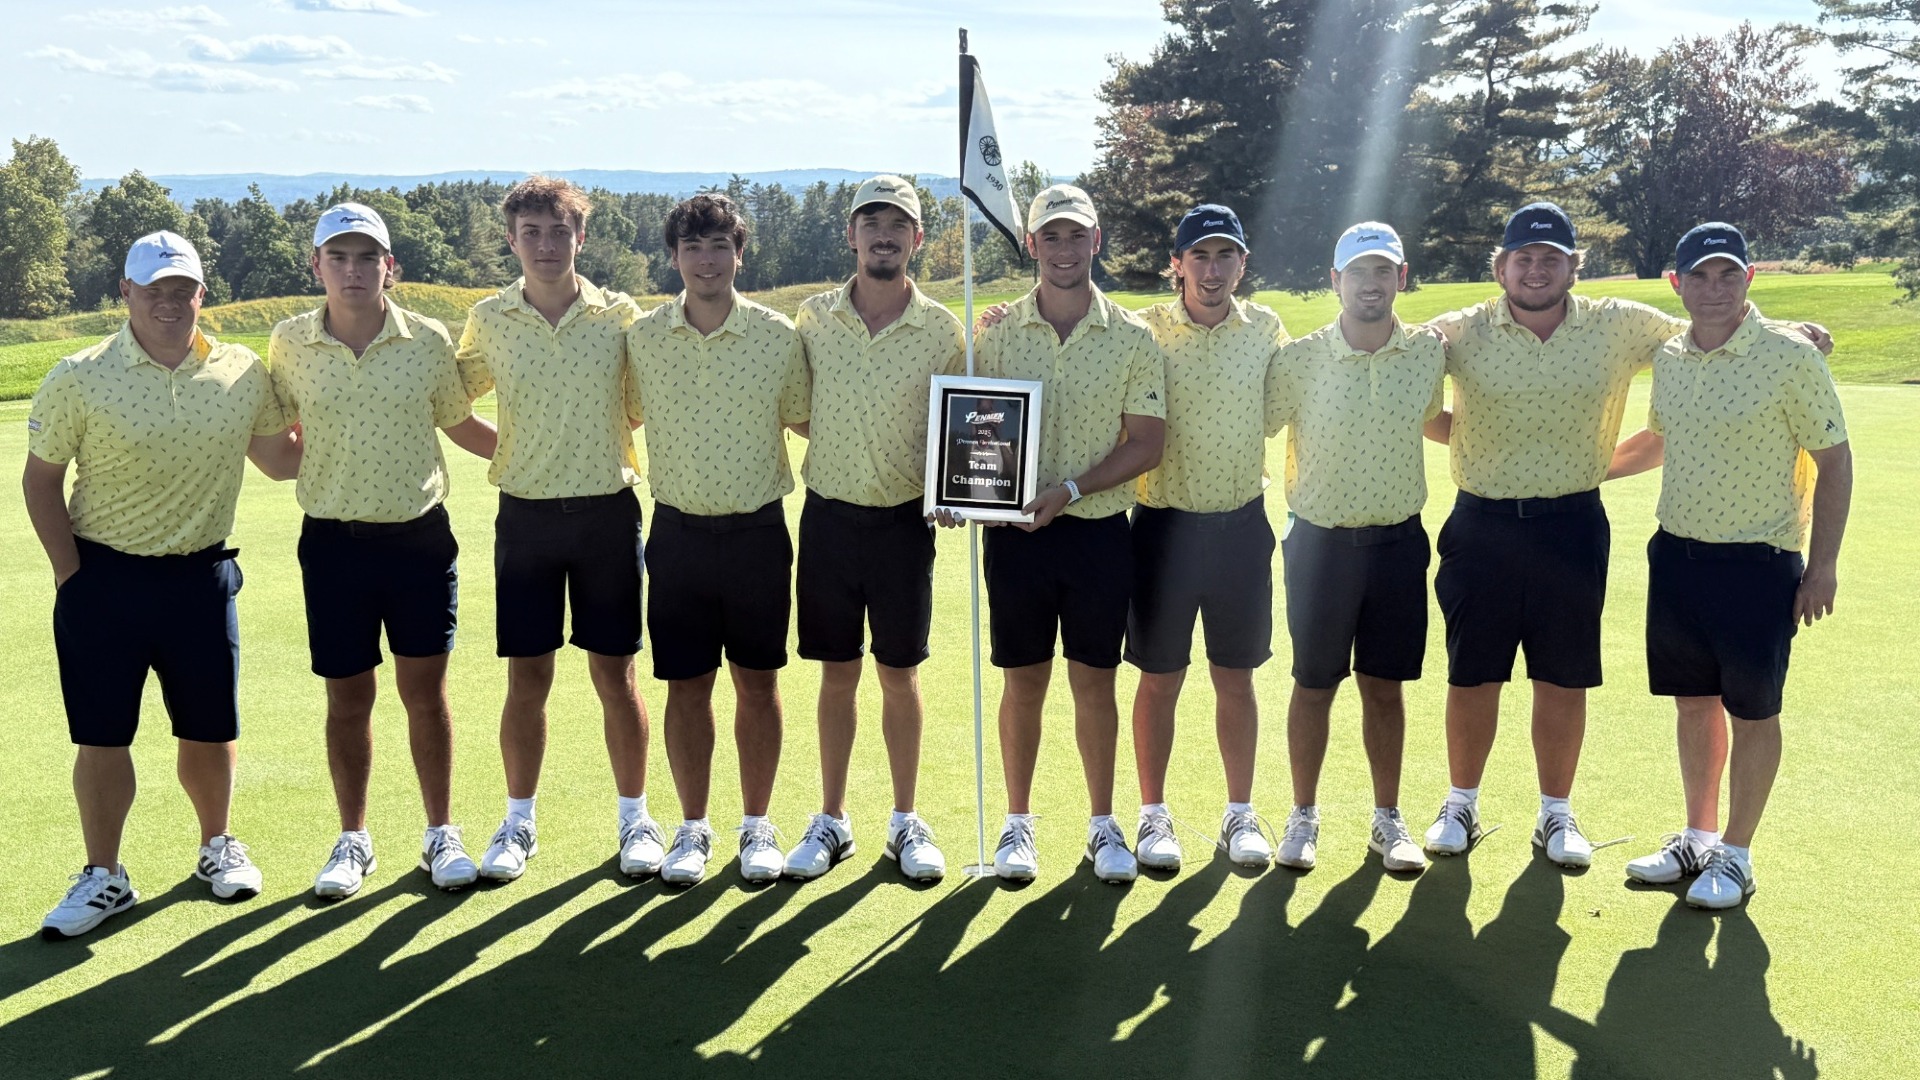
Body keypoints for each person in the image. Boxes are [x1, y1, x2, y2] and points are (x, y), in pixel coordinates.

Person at [1419, 203, 1832, 869]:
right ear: (1501, 265)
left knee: (1563, 676)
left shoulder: (1621, 324)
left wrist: (1790, 331)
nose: (1535, 269)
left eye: (1551, 257)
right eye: (1523, 257)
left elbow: (1712, 325)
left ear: (1573, 266)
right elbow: (1406, 388)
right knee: (1473, 675)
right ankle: (1460, 804)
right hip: (1482, 523)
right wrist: (1463, 438)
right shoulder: (1458, 330)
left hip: (1573, 525)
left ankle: (1556, 815)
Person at [27, 232, 299, 938]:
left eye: (183, 290)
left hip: (200, 578)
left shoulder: (240, 370)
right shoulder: (79, 375)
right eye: (155, 291)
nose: (170, 303)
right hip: (103, 578)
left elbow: (278, 460)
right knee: (103, 736)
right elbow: (41, 481)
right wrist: (71, 577)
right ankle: (104, 875)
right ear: (126, 293)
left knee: (209, 729)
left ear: (202, 294)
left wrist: (339, 398)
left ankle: (216, 848)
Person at [1610, 223, 1851, 909]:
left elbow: (1835, 460)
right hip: (1678, 557)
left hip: (1759, 563)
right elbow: (1661, 440)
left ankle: (1737, 856)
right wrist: (1584, 470)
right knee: (1693, 703)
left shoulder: (1791, 357)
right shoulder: (1673, 357)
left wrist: (1823, 565)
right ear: (1676, 283)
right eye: (1700, 276)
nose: (1713, 289)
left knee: (1752, 711)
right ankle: (1698, 836)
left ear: (1749, 278)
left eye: (1728, 275)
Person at [269, 203, 501, 898]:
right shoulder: (288, 344)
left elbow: (461, 427)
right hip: (333, 546)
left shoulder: (428, 340)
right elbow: (276, 446)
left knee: (425, 696)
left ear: (389, 268)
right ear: (316, 268)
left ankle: (441, 834)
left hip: (418, 541)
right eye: (337, 258)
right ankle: (354, 840)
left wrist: (548, 465)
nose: (352, 270)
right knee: (348, 700)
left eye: (366, 257)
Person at [454, 177, 661, 883]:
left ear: (581, 237)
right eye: (531, 233)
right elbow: (453, 403)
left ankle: (636, 818)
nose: (546, 246)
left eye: (559, 232)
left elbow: (636, 405)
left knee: (616, 674)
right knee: (527, 677)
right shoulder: (489, 318)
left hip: (607, 514)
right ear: (511, 240)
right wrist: (514, 452)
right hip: (526, 517)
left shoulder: (619, 314)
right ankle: (518, 822)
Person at [973, 184, 1167, 884]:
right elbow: (974, 434)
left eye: (1074, 235)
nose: (1063, 249)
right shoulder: (994, 333)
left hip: (1096, 533)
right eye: (1049, 236)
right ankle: (1017, 827)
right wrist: (957, 493)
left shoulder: (1134, 337)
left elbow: (1146, 443)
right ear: (1031, 245)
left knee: (1095, 681)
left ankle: (1102, 826)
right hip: (1016, 537)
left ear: (1097, 240)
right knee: (1022, 682)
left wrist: (1071, 490)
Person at [625, 193, 810, 886]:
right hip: (677, 535)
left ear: (740, 252)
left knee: (758, 686)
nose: (707, 260)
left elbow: (806, 420)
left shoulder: (777, 335)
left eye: (719, 245)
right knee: (686, 687)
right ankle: (693, 829)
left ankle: (758, 828)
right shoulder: (642, 337)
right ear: (673, 257)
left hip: (759, 532)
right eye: (692, 247)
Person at [783, 176, 964, 882]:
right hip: (828, 517)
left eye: (899, 224)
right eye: (871, 223)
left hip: (904, 525)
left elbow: (963, 427)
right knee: (837, 674)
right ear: (851, 236)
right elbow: (799, 408)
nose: (884, 234)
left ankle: (903, 821)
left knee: (898, 672)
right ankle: (832, 820)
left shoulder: (944, 327)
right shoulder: (813, 319)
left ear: (918, 239)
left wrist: (953, 487)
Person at [1267, 223, 1445, 875]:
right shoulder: (1299, 358)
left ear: (1401, 277)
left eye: (1383, 271)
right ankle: (1302, 818)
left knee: (1384, 688)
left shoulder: (1427, 352)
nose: (1371, 284)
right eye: (1357, 272)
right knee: (1313, 685)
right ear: (1334, 280)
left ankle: (1387, 820)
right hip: (1318, 546)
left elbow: (1440, 415)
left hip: (1398, 544)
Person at [1127, 204, 1288, 871]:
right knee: (1160, 679)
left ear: (1243, 264)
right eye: (1200, 256)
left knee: (1235, 677)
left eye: (1226, 256)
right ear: (1177, 264)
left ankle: (1239, 814)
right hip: (1163, 528)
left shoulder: (1267, 329)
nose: (1213, 269)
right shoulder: (1142, 331)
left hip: (1240, 525)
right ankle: (1152, 815)